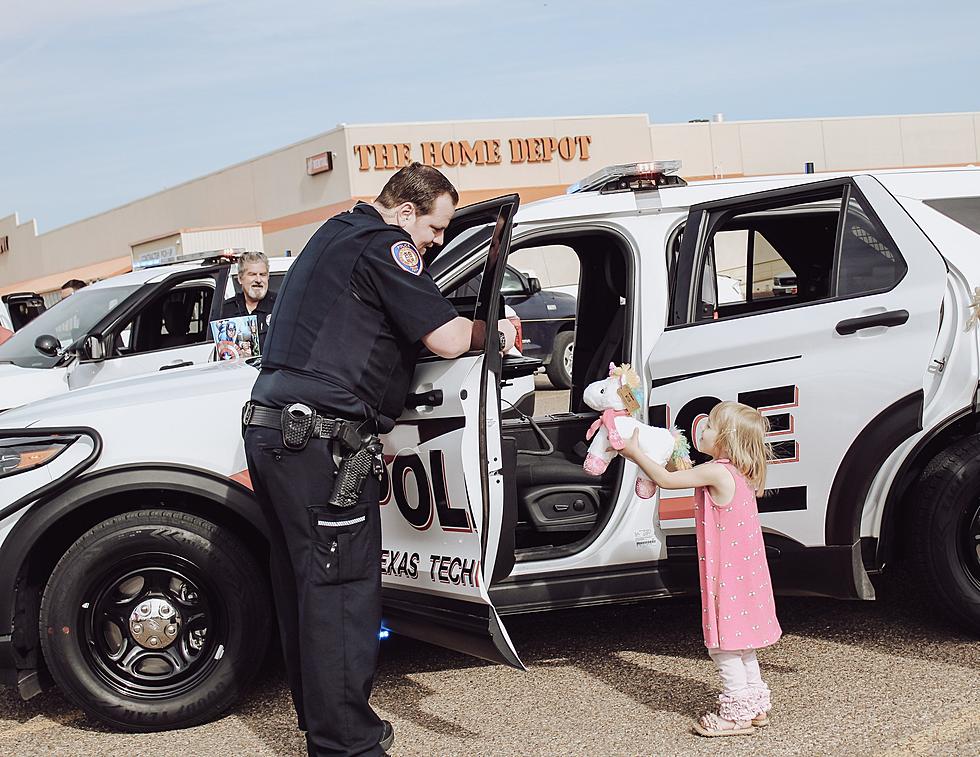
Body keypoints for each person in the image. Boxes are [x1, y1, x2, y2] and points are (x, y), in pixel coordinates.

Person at [243, 162, 516, 757]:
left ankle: (322, 722)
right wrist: (493, 330)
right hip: (319, 441)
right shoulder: (385, 244)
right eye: (436, 228)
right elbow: (444, 339)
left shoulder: (332, 235)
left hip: (277, 430)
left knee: (305, 584)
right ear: (406, 211)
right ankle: (346, 744)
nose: (436, 242)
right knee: (341, 590)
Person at [618, 401, 781, 737]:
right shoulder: (738, 471)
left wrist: (635, 452)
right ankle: (755, 705)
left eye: (708, 427)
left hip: (727, 578)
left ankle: (736, 714)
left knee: (722, 646)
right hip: (746, 577)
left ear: (726, 438)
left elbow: (665, 479)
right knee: (742, 642)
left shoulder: (717, 471)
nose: (701, 430)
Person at [221, 251, 276, 342]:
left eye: (262, 275)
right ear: (240, 278)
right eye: (252, 274)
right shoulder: (226, 310)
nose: (258, 280)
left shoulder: (280, 306)